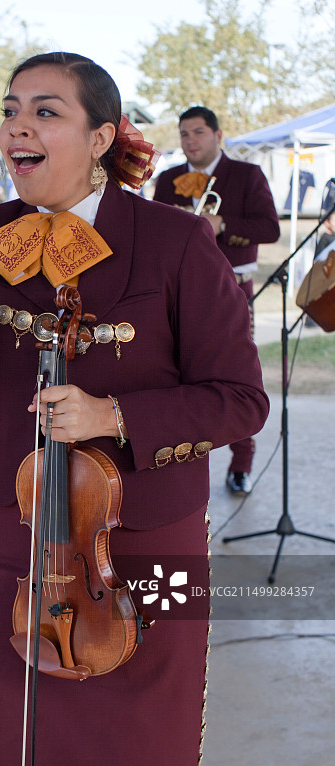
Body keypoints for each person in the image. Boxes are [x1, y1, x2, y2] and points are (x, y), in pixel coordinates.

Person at [0, 53, 269, 766]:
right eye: (10, 110)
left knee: (144, 741)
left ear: (100, 137)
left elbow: (240, 399)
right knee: (7, 736)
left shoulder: (176, 240)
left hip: (150, 530)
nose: (17, 126)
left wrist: (115, 417)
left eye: (45, 111)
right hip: (8, 532)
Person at [153, 106, 279, 496]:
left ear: (218, 135)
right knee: (174, 374)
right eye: (184, 134)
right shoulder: (170, 178)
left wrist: (223, 225)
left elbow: (270, 228)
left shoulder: (246, 175)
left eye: (198, 133)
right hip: (175, 290)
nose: (191, 141)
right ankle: (179, 462)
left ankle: (241, 463)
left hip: (234, 289)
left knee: (235, 377)